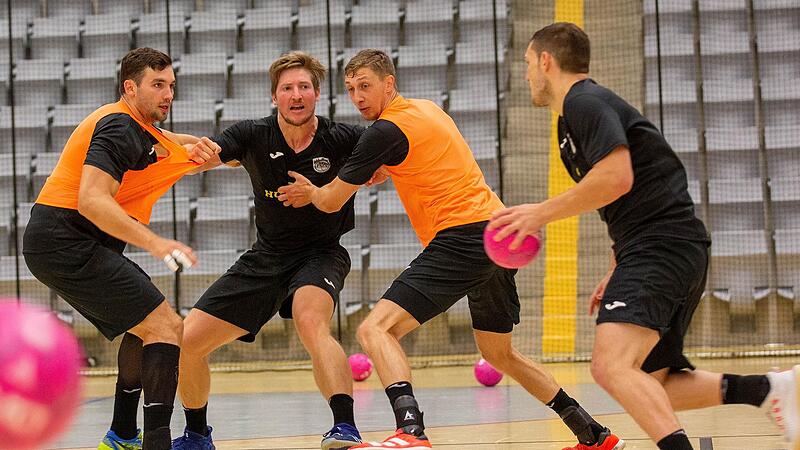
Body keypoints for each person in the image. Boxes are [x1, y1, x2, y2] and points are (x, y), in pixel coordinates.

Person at [278, 48, 624, 450]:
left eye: (366, 86)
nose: (358, 97)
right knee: (499, 353)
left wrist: (311, 192)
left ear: (389, 84)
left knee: (375, 329)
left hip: (461, 236)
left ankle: (411, 431)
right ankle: (593, 433)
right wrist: (383, 170)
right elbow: (423, 157)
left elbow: (334, 200)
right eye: (352, 89)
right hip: (497, 235)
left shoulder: (384, 131)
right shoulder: (427, 110)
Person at [488, 22, 800, 450]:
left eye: (527, 64)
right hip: (662, 246)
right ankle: (768, 389)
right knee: (655, 383)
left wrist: (539, 214)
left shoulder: (584, 101)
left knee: (610, 366)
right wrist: (617, 266)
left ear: (546, 61)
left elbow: (616, 177)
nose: (525, 75)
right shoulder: (569, 124)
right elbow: (626, 197)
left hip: (662, 246)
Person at [22, 47, 218, 450]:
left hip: (62, 240)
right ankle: (155, 442)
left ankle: (123, 435)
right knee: (166, 326)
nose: (168, 94)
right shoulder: (118, 125)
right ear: (131, 87)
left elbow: (165, 142)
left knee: (144, 325)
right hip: (66, 239)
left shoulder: (135, 125)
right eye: (158, 85)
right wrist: (155, 241)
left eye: (172, 86)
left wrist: (206, 148)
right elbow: (91, 200)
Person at [171, 51, 366, 450]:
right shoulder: (253, 135)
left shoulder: (343, 138)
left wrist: (321, 193)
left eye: (305, 87)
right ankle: (196, 435)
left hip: (321, 254)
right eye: (287, 88)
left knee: (311, 323)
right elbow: (205, 157)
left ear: (316, 94)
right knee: (186, 341)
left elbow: (381, 168)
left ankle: (345, 428)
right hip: (266, 257)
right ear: (274, 96)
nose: (297, 95)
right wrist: (182, 152)